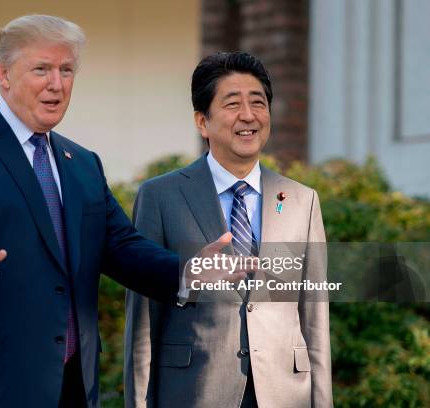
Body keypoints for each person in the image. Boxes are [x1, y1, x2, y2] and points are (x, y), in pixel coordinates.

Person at [0, 14, 207, 408]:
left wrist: (189, 271)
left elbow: (120, 245)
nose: (57, 83)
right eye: (41, 69)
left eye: (66, 70)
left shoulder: (82, 163)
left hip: (68, 383)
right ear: (3, 75)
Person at [124, 52, 333, 408]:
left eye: (258, 103)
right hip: (195, 390)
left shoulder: (302, 200)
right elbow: (143, 319)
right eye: (233, 103)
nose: (248, 116)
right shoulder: (160, 196)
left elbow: (314, 317)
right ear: (202, 122)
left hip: (284, 393)